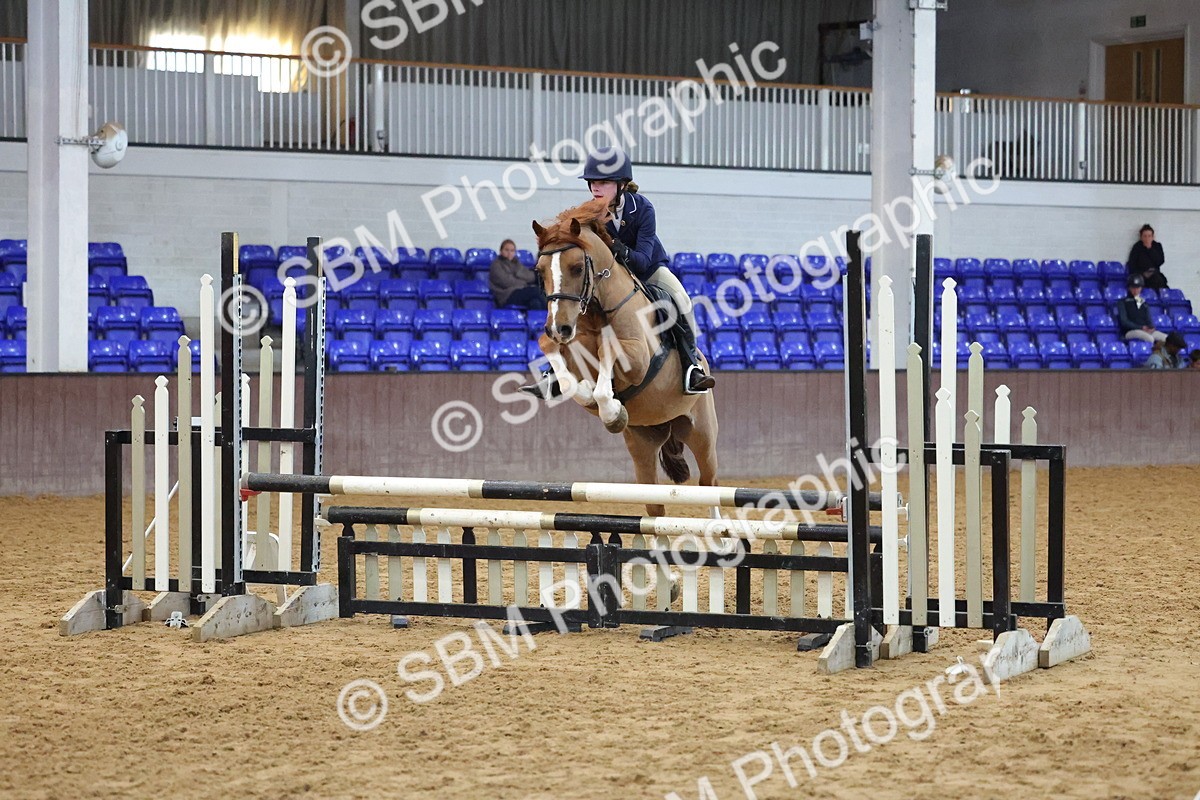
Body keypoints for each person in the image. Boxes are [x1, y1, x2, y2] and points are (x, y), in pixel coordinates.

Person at [523, 146, 715, 398]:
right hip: (609, 278)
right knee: (574, 301)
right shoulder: (588, 214)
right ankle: (554, 374)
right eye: (592, 182)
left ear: (622, 184)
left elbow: (642, 261)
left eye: (603, 182)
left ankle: (691, 366)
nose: (596, 188)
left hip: (648, 270)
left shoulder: (643, 209)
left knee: (681, 299)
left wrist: (614, 245)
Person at [489, 239, 543, 309]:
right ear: (501, 251)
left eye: (512, 250)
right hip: (507, 295)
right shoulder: (496, 265)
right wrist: (524, 282)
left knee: (536, 303)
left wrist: (518, 275)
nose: (509, 253)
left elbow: (530, 276)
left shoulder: (516, 263)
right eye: (506, 250)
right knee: (536, 291)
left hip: (520, 291)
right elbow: (506, 282)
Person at [1117, 274, 1167, 343]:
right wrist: (1140, 327)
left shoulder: (1143, 302)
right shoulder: (1122, 302)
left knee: (1167, 339)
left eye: (1138, 288)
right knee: (1149, 339)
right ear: (1129, 288)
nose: (1135, 290)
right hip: (1130, 331)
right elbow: (1124, 321)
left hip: (1145, 330)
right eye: (1133, 288)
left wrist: (1151, 327)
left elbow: (1148, 318)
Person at [1126, 224, 1169, 290]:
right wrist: (1142, 274)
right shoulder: (1137, 247)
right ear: (1141, 237)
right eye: (1145, 236)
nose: (1147, 238)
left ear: (1153, 237)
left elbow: (1160, 261)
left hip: (1155, 274)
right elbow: (1132, 265)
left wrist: (1150, 249)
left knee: (1160, 281)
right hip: (1142, 275)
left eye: (1149, 236)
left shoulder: (1157, 246)